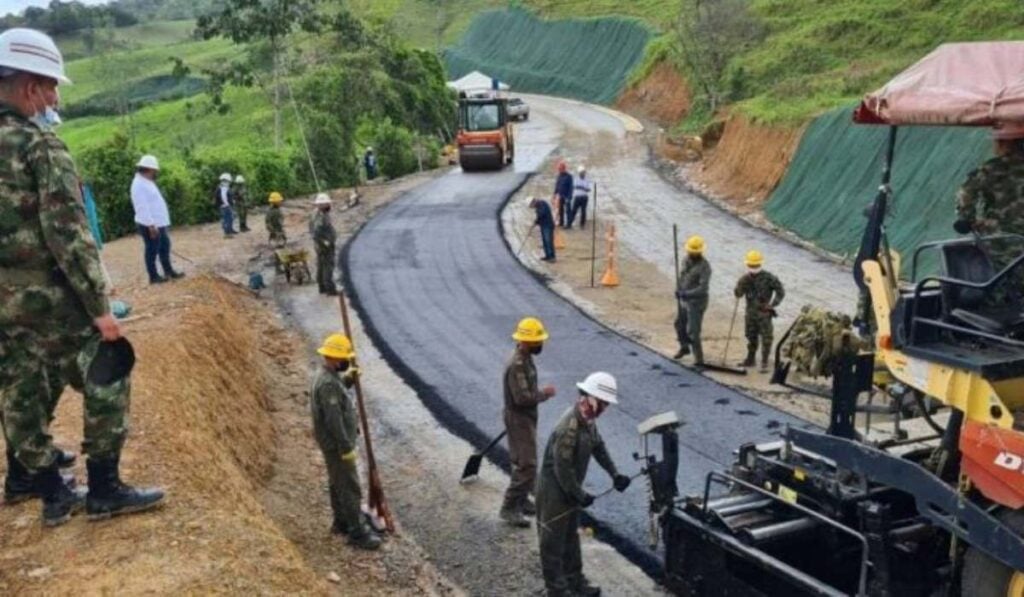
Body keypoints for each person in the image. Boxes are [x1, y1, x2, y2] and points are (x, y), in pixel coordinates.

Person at [0, 27, 164, 527]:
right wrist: (100, 311)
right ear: (29, 87)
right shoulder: (40, 146)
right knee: (109, 367)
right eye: (51, 86)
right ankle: (105, 488)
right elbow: (68, 236)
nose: (54, 97)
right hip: (51, 301)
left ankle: (38, 481)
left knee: (21, 385)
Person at [536, 372, 630, 597]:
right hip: (554, 492)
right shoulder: (569, 427)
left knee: (570, 538)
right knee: (552, 543)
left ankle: (575, 581)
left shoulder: (587, 421)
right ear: (590, 398)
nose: (605, 409)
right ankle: (556, 590)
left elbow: (599, 447)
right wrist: (579, 494)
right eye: (603, 403)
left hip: (569, 490)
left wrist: (615, 474)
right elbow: (562, 468)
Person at [309, 333, 382, 550]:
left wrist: (349, 379)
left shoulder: (328, 377)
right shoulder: (327, 385)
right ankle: (357, 533)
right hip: (336, 445)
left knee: (336, 482)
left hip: (332, 445)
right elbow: (334, 420)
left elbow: (338, 391)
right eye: (344, 360)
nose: (346, 363)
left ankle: (341, 522)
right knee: (349, 486)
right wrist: (345, 447)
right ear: (333, 358)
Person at [500, 317, 555, 528]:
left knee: (524, 461)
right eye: (537, 341)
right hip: (519, 418)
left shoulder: (525, 358)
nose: (540, 345)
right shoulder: (518, 365)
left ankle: (522, 501)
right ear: (525, 341)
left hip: (524, 418)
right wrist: (544, 394)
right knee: (527, 465)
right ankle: (509, 508)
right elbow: (522, 398)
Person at [955, 123, 1024, 274]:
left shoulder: (991, 168)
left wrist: (967, 219)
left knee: (1000, 283)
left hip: (1001, 240)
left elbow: (965, 193)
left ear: (1003, 143)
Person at [130, 154, 184, 285]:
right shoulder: (138, 184)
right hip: (150, 223)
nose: (156, 172)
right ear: (149, 169)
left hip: (158, 222)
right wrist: (150, 225)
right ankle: (153, 276)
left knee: (165, 246)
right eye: (155, 170)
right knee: (152, 249)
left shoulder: (146, 182)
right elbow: (141, 207)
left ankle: (168, 271)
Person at [734, 250, 785, 372]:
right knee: (751, 336)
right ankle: (750, 359)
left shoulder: (769, 278)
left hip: (764, 314)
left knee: (766, 339)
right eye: (751, 265)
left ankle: (764, 363)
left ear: (760, 264)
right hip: (750, 314)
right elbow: (738, 294)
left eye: (755, 265)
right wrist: (740, 285)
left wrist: (772, 305)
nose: (753, 267)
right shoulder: (745, 279)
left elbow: (781, 292)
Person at [674, 235, 711, 366]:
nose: (692, 254)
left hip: (696, 303)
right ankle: (684, 347)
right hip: (684, 300)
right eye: (691, 251)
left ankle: (699, 360)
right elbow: (682, 276)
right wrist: (678, 289)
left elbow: (703, 289)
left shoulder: (704, 267)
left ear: (700, 252)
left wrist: (686, 293)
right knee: (679, 324)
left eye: (695, 252)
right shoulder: (685, 260)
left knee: (693, 332)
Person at [310, 193, 337, 295]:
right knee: (328, 266)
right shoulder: (322, 217)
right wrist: (326, 243)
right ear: (322, 205)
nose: (329, 205)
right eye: (327, 204)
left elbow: (312, 230)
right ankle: (330, 289)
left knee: (321, 265)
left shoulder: (314, 213)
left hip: (318, 245)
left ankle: (322, 287)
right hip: (324, 245)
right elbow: (316, 232)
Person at [529, 196, 557, 262]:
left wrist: (536, 221)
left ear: (533, 202)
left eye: (531, 205)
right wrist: (536, 222)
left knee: (548, 241)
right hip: (543, 225)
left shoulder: (542, 204)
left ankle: (552, 257)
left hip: (548, 226)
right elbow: (540, 217)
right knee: (545, 241)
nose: (532, 207)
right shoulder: (538, 206)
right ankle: (547, 256)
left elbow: (541, 214)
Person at [212, 172, 236, 238]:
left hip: (224, 206)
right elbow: (224, 197)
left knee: (228, 219)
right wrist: (228, 204)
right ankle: (227, 234)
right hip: (226, 206)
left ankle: (229, 232)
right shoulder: (223, 188)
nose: (228, 182)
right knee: (227, 219)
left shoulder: (221, 188)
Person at [568, 165, 592, 230]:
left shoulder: (587, 179)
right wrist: (583, 188)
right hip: (577, 197)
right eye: (581, 172)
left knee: (583, 211)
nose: (582, 174)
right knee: (574, 211)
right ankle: (569, 223)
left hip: (584, 197)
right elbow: (575, 187)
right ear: (579, 173)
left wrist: (581, 187)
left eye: (583, 172)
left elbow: (589, 189)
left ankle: (582, 225)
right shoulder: (576, 178)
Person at [552, 161, 573, 229]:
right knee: (560, 210)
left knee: (568, 211)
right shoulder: (559, 176)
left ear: (564, 169)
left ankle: (569, 224)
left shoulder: (569, 176)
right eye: (559, 169)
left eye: (560, 169)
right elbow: (557, 186)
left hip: (567, 196)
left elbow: (571, 188)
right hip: (560, 196)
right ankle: (561, 222)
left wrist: (569, 197)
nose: (559, 170)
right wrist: (554, 194)